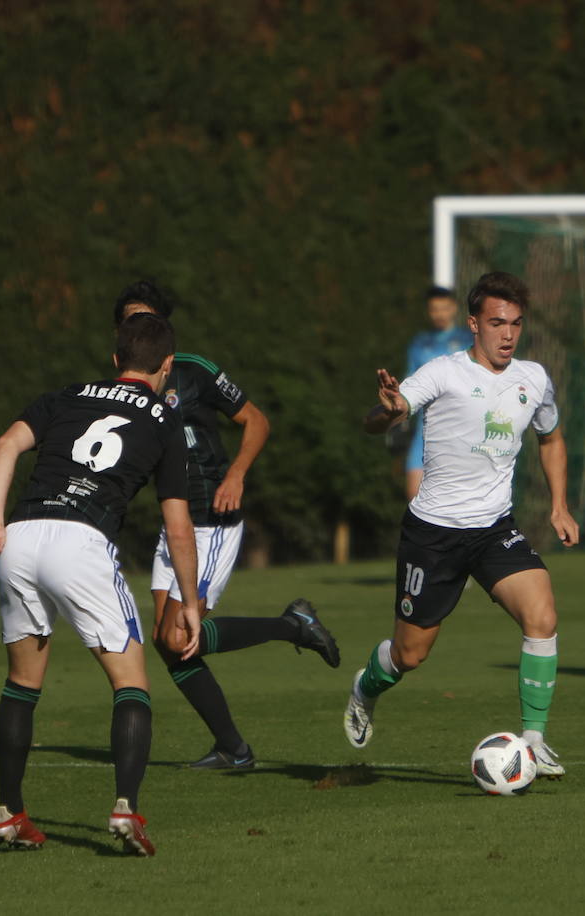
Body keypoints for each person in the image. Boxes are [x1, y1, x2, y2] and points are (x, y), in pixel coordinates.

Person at [0, 312, 201, 855]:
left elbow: (7, 443)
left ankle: (9, 813)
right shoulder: (168, 422)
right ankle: (126, 806)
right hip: (81, 542)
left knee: (22, 684)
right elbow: (177, 525)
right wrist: (190, 602)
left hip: (21, 536)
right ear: (167, 366)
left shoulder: (69, 394)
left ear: (115, 359)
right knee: (131, 685)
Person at [346, 271, 580, 777]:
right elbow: (383, 415)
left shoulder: (534, 378)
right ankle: (366, 686)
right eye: (497, 323)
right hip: (433, 534)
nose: (508, 334)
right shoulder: (442, 372)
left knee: (542, 616)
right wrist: (386, 413)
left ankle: (534, 742)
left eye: (516, 323)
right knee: (410, 655)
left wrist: (558, 505)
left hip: (495, 529)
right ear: (473, 324)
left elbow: (552, 437)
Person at [114, 281, 340, 771]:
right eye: (130, 320)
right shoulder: (125, 386)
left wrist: (235, 473)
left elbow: (256, 420)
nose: (139, 328)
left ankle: (291, 626)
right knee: (165, 642)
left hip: (211, 520)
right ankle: (233, 750)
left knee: (179, 638)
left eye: (146, 318)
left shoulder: (195, 372)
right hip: (173, 522)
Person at [402, 286, 475, 500]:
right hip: (426, 430)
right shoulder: (420, 343)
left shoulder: (466, 340)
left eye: (444, 308)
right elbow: (410, 385)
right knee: (414, 497)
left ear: (453, 308)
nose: (440, 314)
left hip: (461, 430)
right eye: (434, 309)